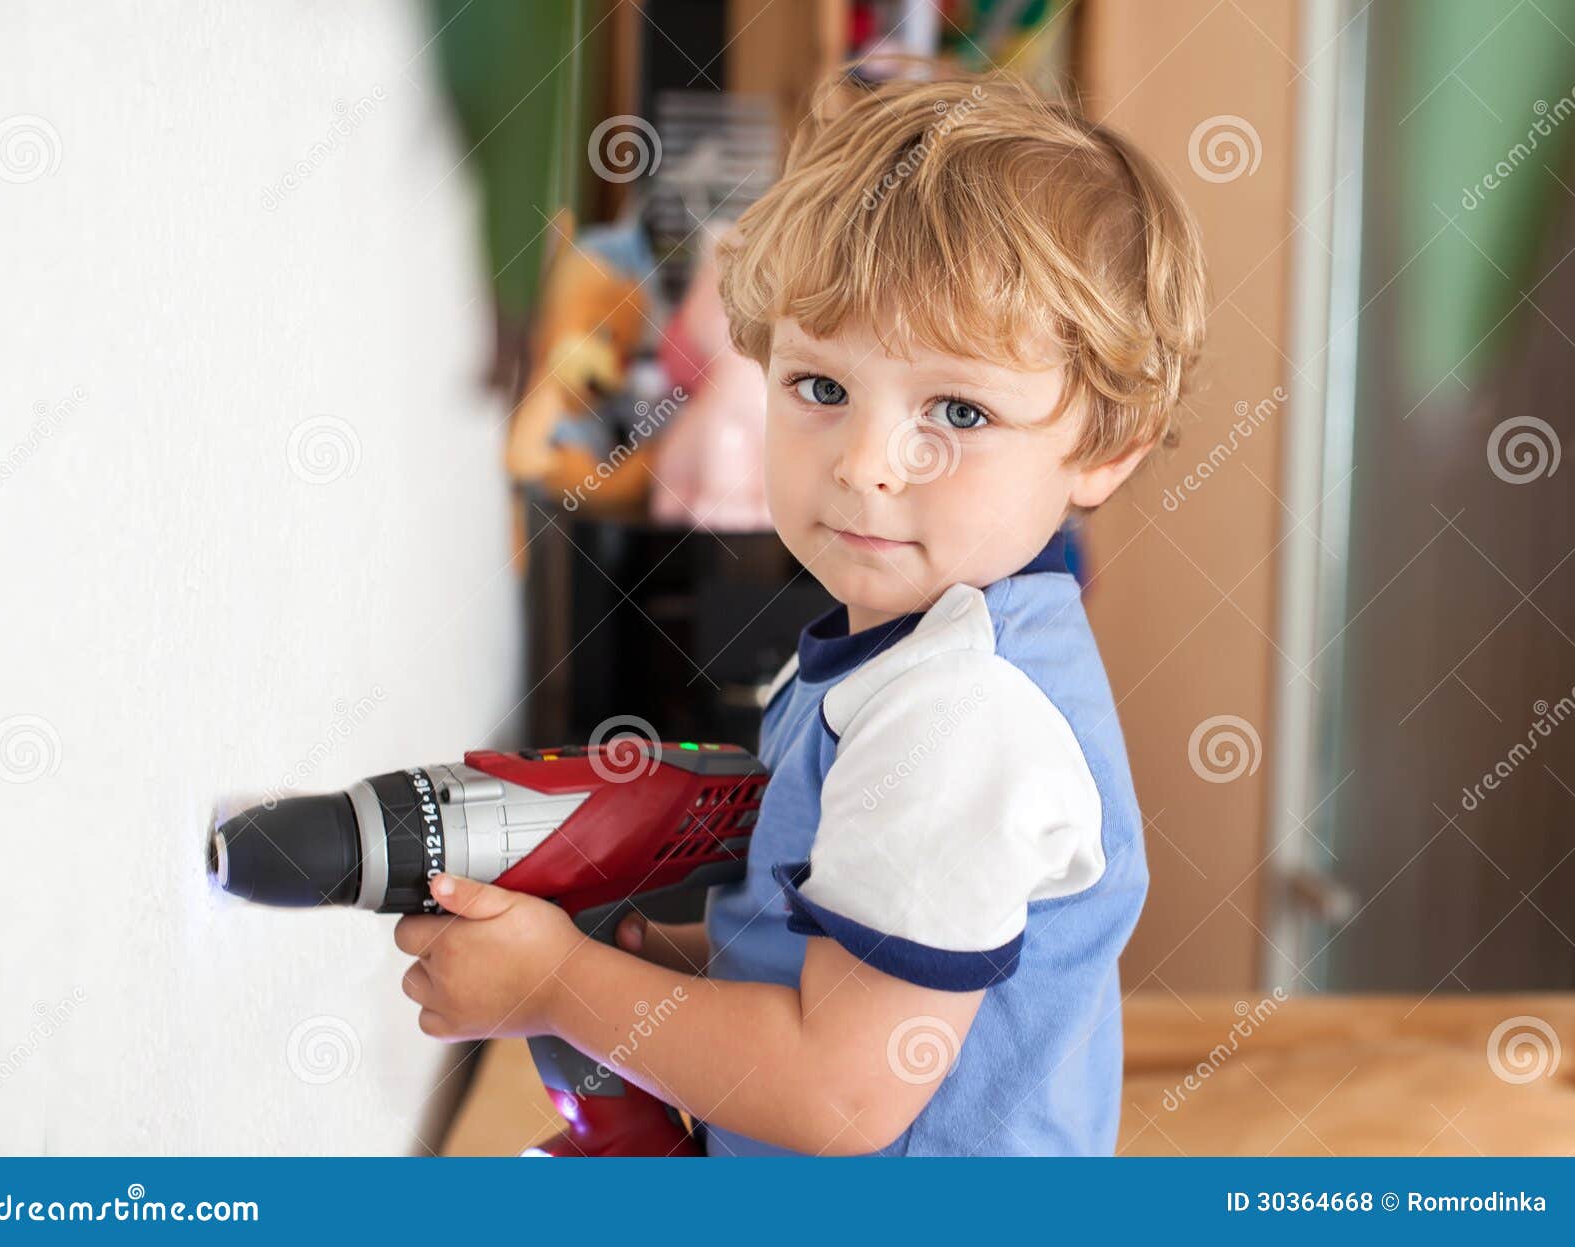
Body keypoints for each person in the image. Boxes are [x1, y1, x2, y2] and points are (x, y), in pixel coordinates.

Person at [394, 62, 1209, 1157]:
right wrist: (658, 956)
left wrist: (556, 981)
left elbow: (835, 1091)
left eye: (958, 408)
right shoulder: (905, 653)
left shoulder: (960, 718)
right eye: (820, 388)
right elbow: (827, 964)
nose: (868, 463)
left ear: (1104, 448)